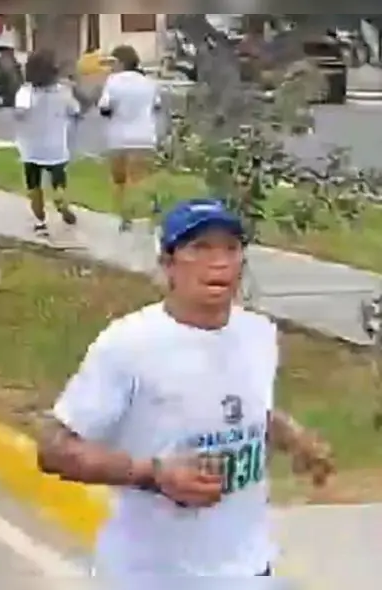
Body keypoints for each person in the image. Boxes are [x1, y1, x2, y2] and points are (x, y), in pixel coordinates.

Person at [36, 197, 335, 579]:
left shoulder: (258, 333)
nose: (219, 261)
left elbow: (243, 407)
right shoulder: (129, 344)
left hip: (248, 567)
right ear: (168, 264)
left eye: (231, 248)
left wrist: (295, 438)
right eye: (200, 248)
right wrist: (155, 474)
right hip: (151, 574)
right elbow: (54, 448)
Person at [13, 50, 79, 237]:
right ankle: (60, 199)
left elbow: (20, 113)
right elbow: (76, 109)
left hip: (31, 147)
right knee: (58, 179)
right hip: (56, 147)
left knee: (34, 185)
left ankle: (40, 220)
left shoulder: (25, 91)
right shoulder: (63, 91)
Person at [97, 45, 161, 232]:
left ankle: (126, 218)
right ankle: (151, 214)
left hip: (119, 138)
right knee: (142, 179)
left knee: (120, 180)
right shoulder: (149, 82)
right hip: (145, 137)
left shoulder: (113, 81)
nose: (112, 67)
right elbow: (156, 106)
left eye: (114, 62)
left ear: (122, 62)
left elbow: (105, 107)